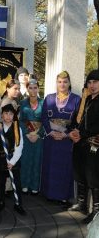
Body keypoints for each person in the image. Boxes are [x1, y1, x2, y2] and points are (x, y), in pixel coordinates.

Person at [41, 71, 81, 204]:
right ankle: (49, 194)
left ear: (69, 83)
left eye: (65, 82)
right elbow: (44, 117)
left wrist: (66, 133)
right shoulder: (49, 98)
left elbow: (78, 120)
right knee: (50, 167)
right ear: (56, 83)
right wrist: (50, 132)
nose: (62, 84)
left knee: (64, 168)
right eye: (59, 82)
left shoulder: (76, 99)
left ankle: (63, 196)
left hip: (66, 140)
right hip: (51, 139)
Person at [69, 69, 99, 223]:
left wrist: (82, 134)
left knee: (93, 178)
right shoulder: (85, 99)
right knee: (80, 174)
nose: (92, 85)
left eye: (95, 82)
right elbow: (76, 118)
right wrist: (72, 131)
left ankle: (96, 211)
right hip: (80, 144)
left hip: (94, 146)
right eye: (90, 82)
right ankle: (81, 204)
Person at [0, 101, 26, 215]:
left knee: (16, 182)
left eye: (11, 114)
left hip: (13, 159)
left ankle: (18, 204)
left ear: (14, 115)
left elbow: (19, 146)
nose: (8, 116)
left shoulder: (17, 128)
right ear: (2, 115)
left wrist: (12, 162)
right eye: (6, 114)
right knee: (1, 182)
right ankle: (1, 202)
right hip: (1, 158)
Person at [19, 79, 44, 195]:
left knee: (37, 160)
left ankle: (34, 185)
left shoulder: (44, 103)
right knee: (26, 160)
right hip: (27, 136)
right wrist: (26, 133)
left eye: (35, 88)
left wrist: (38, 134)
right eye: (30, 88)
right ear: (27, 89)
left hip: (38, 137)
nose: (33, 90)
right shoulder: (22, 103)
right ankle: (24, 184)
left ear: (38, 88)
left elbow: (46, 121)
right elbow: (20, 120)